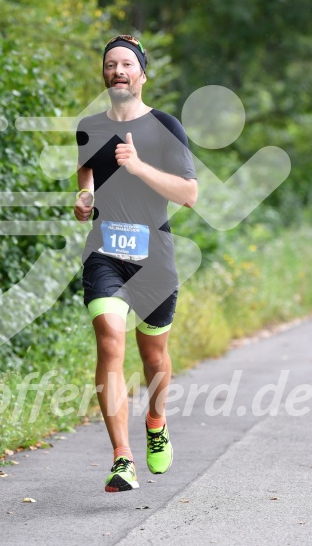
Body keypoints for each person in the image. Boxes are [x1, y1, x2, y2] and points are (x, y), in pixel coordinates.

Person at [74, 35, 197, 492]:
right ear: (104, 75)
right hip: (105, 251)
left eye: (127, 63)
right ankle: (121, 457)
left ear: (143, 74)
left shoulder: (165, 127)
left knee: (155, 356)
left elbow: (189, 195)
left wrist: (139, 166)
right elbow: (86, 171)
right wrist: (84, 198)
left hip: (154, 259)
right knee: (109, 340)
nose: (118, 70)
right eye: (111, 64)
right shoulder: (89, 125)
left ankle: (157, 419)